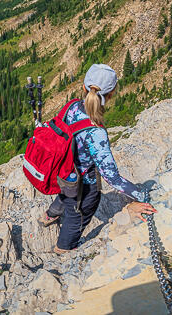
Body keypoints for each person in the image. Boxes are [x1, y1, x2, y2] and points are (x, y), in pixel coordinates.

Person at [39, 63, 157, 254]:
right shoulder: (97, 133)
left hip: (62, 169)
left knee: (66, 194)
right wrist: (142, 194)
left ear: (84, 88)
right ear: (110, 95)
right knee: (76, 216)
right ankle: (63, 249)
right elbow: (112, 178)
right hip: (83, 185)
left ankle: (50, 215)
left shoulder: (72, 106)